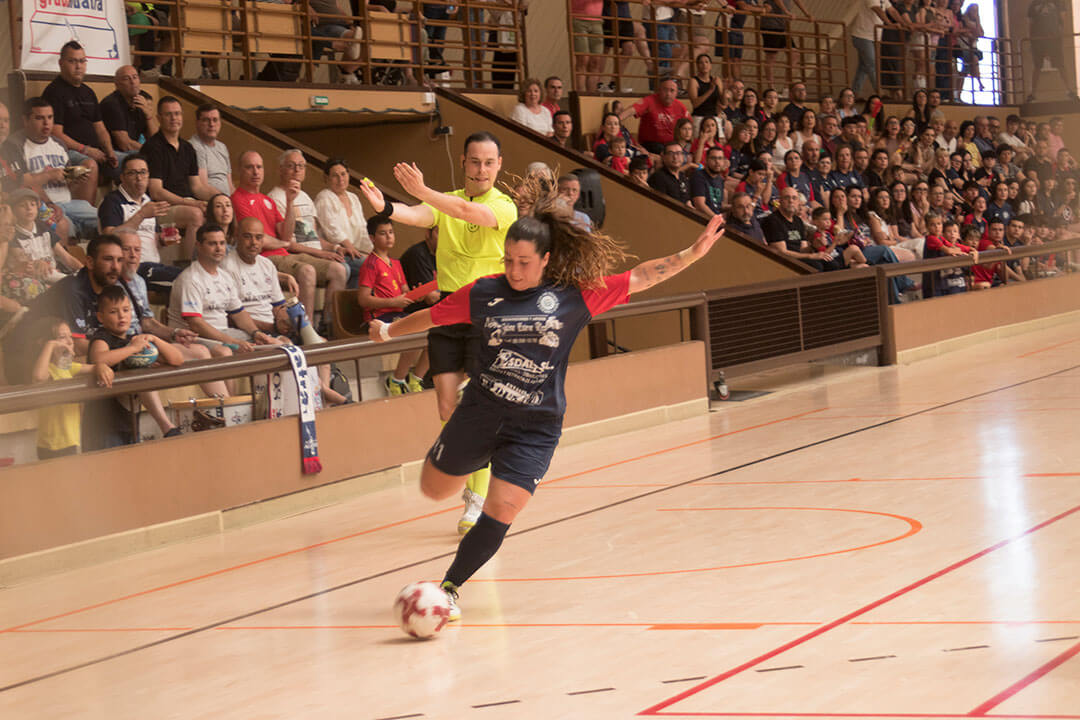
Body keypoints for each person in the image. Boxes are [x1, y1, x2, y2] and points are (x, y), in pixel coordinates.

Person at [368, 186, 728, 621]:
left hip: (535, 427)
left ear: (545, 259)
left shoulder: (575, 296)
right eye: (508, 260)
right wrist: (388, 331)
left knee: (503, 509)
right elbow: (435, 315)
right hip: (481, 412)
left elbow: (639, 276)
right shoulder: (484, 292)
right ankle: (468, 458)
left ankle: (450, 588)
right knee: (434, 489)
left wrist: (692, 253)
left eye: (524, 262)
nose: (514, 270)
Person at [357, 131, 518, 535]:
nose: (481, 169)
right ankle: (475, 477)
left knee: (472, 406)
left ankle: (478, 500)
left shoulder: (504, 206)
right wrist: (386, 207)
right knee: (447, 408)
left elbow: (465, 212)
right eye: (474, 161)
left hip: (488, 314)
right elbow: (418, 215)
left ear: (499, 165)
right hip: (448, 313)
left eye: (489, 163)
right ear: (463, 162)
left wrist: (424, 191)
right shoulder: (444, 202)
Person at [168, 224, 280, 352]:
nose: (219, 248)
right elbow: (196, 324)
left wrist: (256, 333)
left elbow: (239, 313)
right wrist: (232, 342)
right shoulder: (190, 279)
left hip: (224, 333)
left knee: (278, 344)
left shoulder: (225, 277)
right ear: (198, 246)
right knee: (225, 351)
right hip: (194, 337)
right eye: (212, 244)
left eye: (222, 243)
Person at [0, 98, 99, 239]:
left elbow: (67, 186)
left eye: (50, 117)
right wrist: (49, 177)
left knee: (105, 220)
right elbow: (24, 183)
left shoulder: (59, 144)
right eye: (39, 118)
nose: (46, 123)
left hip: (67, 203)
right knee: (64, 227)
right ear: (25, 120)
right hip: (38, 204)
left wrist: (74, 181)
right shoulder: (15, 145)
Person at [357, 214, 429, 395]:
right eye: (383, 233)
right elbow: (363, 299)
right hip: (379, 317)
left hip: (397, 314)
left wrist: (417, 295)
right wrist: (393, 301)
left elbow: (404, 293)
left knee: (437, 328)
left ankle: (416, 378)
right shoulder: (370, 264)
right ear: (372, 238)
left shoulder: (396, 263)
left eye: (391, 232)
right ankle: (396, 380)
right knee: (416, 329)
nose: (389, 237)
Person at [31, 317, 113, 460]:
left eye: (70, 336)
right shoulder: (47, 369)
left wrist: (100, 366)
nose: (70, 342)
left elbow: (95, 368)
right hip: (50, 445)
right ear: (44, 343)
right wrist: (50, 345)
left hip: (71, 441)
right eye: (62, 337)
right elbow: (39, 377)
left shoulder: (67, 367)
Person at [143, 96, 214, 256]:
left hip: (186, 202)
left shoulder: (188, 148)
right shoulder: (153, 147)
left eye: (177, 113)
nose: (174, 118)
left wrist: (220, 198)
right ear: (159, 118)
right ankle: (189, 264)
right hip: (161, 207)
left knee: (221, 210)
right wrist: (192, 203)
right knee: (196, 215)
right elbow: (156, 192)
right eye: (168, 114)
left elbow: (197, 187)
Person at [98, 154, 178, 289]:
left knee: (189, 276)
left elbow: (152, 238)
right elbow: (108, 237)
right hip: (130, 267)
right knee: (183, 279)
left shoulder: (148, 201)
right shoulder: (112, 201)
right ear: (122, 177)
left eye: (143, 172)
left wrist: (163, 240)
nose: (139, 178)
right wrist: (141, 215)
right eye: (132, 173)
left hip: (154, 265)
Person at [42, 41, 118, 184]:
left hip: (96, 151)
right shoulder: (53, 92)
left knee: (134, 162)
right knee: (89, 166)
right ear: (61, 63)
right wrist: (86, 150)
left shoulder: (88, 92)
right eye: (72, 61)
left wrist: (110, 151)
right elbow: (56, 134)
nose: (78, 66)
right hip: (69, 152)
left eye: (82, 61)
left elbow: (100, 128)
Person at [314, 157, 371, 288]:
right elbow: (333, 232)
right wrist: (354, 250)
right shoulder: (324, 198)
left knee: (379, 263)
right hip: (335, 252)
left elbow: (363, 230)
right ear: (326, 178)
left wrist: (374, 252)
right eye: (335, 176)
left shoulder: (353, 198)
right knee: (370, 266)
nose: (341, 179)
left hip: (354, 253)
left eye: (343, 174)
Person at [619, 77, 690, 154]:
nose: (668, 94)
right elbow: (631, 110)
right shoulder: (649, 100)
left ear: (676, 93)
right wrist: (616, 120)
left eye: (672, 90)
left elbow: (690, 126)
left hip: (671, 146)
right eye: (665, 90)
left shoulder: (680, 106)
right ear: (659, 91)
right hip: (650, 145)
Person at [99, 65, 158, 157]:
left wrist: (148, 115)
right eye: (126, 79)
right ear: (117, 84)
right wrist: (153, 152)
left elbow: (155, 140)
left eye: (135, 77)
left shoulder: (140, 102)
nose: (132, 82)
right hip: (111, 154)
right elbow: (125, 145)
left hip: (131, 152)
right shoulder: (112, 104)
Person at [763, 186, 825, 268]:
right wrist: (810, 256)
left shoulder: (798, 220)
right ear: (780, 201)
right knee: (817, 265)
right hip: (783, 261)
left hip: (798, 257)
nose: (791, 201)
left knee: (829, 262)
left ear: (798, 202)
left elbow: (803, 249)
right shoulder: (773, 220)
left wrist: (813, 246)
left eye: (794, 198)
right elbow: (782, 252)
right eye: (787, 197)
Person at [188, 105, 234, 196]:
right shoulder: (193, 146)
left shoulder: (222, 147)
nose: (211, 124)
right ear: (197, 123)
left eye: (215, 120)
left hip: (226, 200)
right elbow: (203, 187)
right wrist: (226, 199)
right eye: (206, 120)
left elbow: (230, 186)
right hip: (210, 200)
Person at [851, 0, 889, 96]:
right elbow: (877, 9)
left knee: (863, 67)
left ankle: (855, 92)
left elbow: (892, 10)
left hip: (872, 37)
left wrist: (905, 24)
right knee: (872, 64)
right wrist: (889, 23)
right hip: (862, 36)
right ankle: (879, 92)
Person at [648, 142, 691, 206]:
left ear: (683, 157)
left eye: (679, 153)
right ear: (664, 157)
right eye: (671, 153)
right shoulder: (658, 177)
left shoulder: (682, 176)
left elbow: (687, 199)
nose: (675, 157)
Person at [690, 146, 727, 217]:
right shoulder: (698, 176)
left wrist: (733, 207)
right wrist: (717, 220)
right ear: (706, 160)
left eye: (720, 158)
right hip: (702, 218)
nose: (717, 161)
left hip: (715, 217)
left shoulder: (720, 179)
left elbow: (718, 205)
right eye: (713, 158)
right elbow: (699, 205)